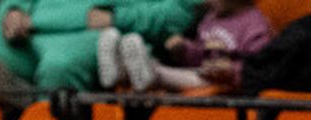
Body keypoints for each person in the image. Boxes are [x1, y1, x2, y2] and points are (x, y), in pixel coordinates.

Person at [0, 0, 205, 102]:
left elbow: (179, 13)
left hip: (98, 35)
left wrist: (117, 18)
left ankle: (22, 101)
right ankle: (6, 88)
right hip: (28, 35)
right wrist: (12, 12)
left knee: (59, 64)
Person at [99, 0, 272, 93]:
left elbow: (259, 67)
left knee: (164, 73)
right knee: (167, 69)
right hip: (201, 71)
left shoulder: (255, 25)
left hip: (224, 84)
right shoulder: (211, 18)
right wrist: (183, 49)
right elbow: (200, 53)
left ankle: (149, 73)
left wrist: (231, 71)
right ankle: (121, 71)